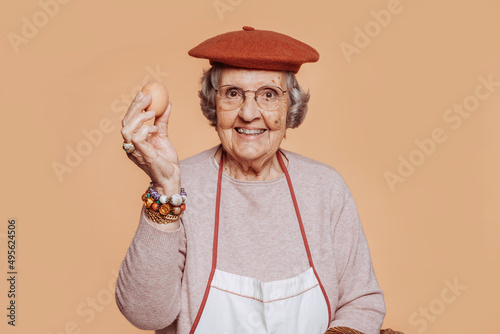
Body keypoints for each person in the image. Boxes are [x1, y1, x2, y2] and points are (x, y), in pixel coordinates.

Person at [116, 26, 386, 334]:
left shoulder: (325, 188)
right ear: (213, 106)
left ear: (290, 108)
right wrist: (164, 189)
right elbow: (146, 315)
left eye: (268, 95)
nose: (248, 112)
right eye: (233, 94)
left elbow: (362, 302)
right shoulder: (180, 184)